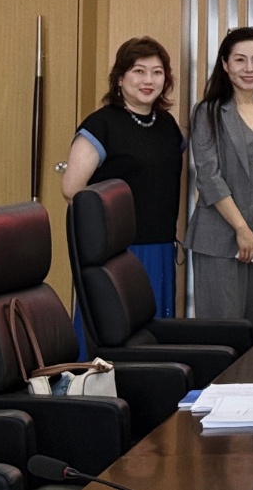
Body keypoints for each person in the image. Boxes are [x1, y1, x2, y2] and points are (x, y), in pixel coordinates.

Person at [62, 37, 185, 320]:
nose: (148, 80)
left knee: (155, 329)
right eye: (138, 71)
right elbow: (72, 190)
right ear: (120, 78)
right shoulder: (101, 124)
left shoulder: (167, 124)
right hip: (117, 251)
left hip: (160, 244)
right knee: (114, 326)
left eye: (157, 72)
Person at [184, 27, 253, 338]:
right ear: (225, 64)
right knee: (223, 332)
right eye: (240, 60)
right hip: (219, 239)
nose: (249, 68)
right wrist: (241, 229)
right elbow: (209, 177)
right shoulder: (208, 112)